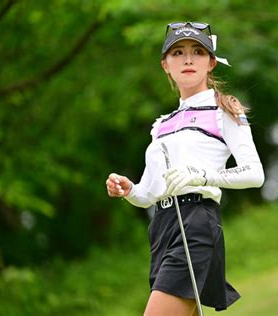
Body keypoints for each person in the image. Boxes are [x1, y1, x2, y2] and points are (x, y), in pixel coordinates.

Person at [105, 21, 264, 316]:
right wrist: (130, 189)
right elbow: (149, 193)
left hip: (197, 223)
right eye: (177, 52)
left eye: (197, 52)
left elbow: (255, 174)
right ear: (165, 65)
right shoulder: (161, 125)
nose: (188, 59)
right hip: (163, 226)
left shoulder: (225, 109)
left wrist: (203, 176)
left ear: (211, 62)